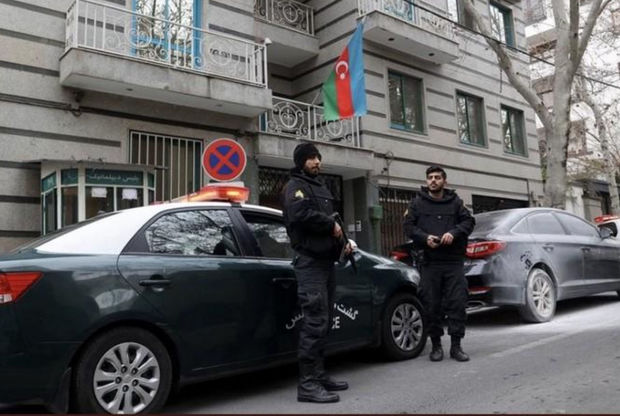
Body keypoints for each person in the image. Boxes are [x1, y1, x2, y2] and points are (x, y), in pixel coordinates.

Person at [281, 142, 351, 403]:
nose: (317, 161)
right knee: (314, 322)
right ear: (301, 161)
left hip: (326, 262)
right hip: (309, 263)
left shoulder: (320, 186)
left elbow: (333, 223)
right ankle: (307, 385)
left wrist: (343, 242)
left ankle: (319, 375)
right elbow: (300, 215)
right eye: (311, 158)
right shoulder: (294, 186)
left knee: (324, 321)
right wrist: (329, 224)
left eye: (318, 157)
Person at [403, 165, 475, 362]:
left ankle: (456, 347)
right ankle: (436, 346)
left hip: (453, 262)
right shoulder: (417, 203)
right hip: (430, 263)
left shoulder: (456, 202)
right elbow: (408, 227)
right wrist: (425, 238)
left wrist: (453, 233)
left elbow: (469, 222)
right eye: (430, 177)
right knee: (431, 305)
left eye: (437, 177)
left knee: (457, 303)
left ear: (444, 181)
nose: (433, 180)